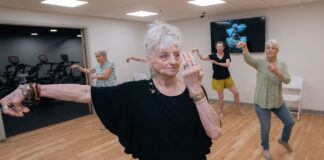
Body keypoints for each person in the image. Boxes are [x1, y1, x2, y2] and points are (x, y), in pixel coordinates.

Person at [0, 21, 221, 160]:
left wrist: (195, 90)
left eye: (176, 54)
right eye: (164, 55)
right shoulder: (135, 92)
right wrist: (31, 88)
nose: (173, 61)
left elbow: (215, 132)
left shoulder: (194, 89)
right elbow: (83, 93)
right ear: (149, 59)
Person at [237, 40, 295, 160]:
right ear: (265, 50)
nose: (269, 49)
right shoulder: (260, 63)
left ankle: (283, 140)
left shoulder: (282, 65)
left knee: (290, 122)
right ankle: (266, 148)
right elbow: (248, 59)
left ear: (277, 51)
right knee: (266, 126)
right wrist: (245, 48)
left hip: (277, 101)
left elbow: (287, 80)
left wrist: (276, 72)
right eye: (267, 47)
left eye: (273, 48)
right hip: (261, 101)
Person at [193, 41, 245, 117]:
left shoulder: (226, 55)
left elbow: (227, 65)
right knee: (221, 97)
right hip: (217, 79)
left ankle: (239, 109)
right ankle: (221, 111)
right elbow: (202, 58)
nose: (219, 48)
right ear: (216, 47)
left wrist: (216, 63)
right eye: (217, 46)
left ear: (223, 48)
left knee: (236, 93)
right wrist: (197, 51)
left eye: (220, 46)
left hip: (227, 77)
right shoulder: (213, 55)